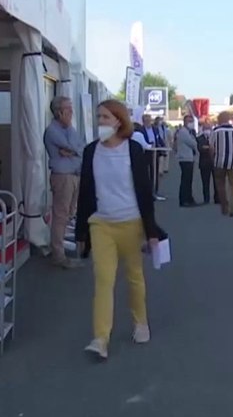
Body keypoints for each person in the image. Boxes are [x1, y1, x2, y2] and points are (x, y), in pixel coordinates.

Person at [74, 99, 166, 360]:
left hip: (131, 222)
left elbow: (145, 192)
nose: (100, 122)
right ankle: (100, 338)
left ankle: (140, 322)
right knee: (103, 280)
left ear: (118, 121)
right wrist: (81, 232)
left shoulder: (134, 150)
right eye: (98, 117)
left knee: (134, 275)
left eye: (105, 117)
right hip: (101, 223)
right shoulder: (91, 151)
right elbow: (85, 193)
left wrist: (151, 232)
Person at [43, 96, 83, 268]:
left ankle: (62, 249)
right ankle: (58, 255)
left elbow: (79, 147)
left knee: (69, 213)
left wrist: (72, 151)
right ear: (59, 112)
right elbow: (73, 148)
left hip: (74, 175)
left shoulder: (70, 129)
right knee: (60, 215)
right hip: (63, 177)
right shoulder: (52, 130)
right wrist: (72, 150)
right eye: (67, 109)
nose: (71, 112)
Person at [211, 112, 233, 216]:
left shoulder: (215, 131)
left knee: (220, 184)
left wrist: (212, 159)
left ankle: (224, 206)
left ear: (220, 120)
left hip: (219, 161)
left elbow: (211, 147)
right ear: (228, 119)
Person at [173, 116, 199, 206]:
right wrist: (194, 141)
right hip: (185, 158)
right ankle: (184, 200)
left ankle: (189, 198)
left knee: (188, 180)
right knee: (186, 180)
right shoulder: (183, 132)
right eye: (189, 121)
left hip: (189, 157)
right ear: (185, 122)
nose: (191, 123)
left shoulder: (189, 132)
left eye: (192, 121)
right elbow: (192, 143)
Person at [197, 117, 216, 204]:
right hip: (204, 163)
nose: (207, 130)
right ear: (203, 129)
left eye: (209, 128)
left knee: (216, 182)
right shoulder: (199, 138)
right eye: (206, 128)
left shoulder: (215, 137)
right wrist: (210, 148)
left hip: (215, 162)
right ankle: (206, 198)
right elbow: (200, 148)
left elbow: (217, 148)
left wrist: (208, 148)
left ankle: (217, 198)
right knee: (205, 182)